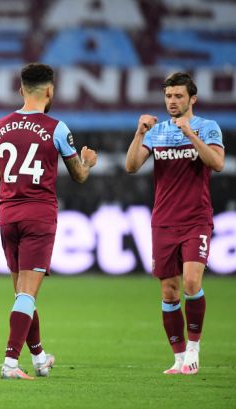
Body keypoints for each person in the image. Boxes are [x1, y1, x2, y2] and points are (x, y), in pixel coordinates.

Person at [0, 63, 97, 379]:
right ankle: (10, 363)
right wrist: (88, 162)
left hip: (7, 215)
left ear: (21, 90)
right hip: (39, 215)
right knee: (27, 294)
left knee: (22, 293)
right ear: (50, 90)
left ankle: (38, 358)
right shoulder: (57, 128)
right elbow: (78, 176)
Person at [125, 72, 224, 375]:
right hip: (164, 221)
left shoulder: (208, 128)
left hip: (196, 219)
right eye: (168, 96)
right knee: (169, 291)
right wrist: (140, 133)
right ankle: (179, 357)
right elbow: (131, 166)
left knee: (192, 283)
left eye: (178, 96)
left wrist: (191, 134)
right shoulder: (157, 132)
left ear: (192, 98)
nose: (172, 101)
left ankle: (194, 348)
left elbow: (217, 163)